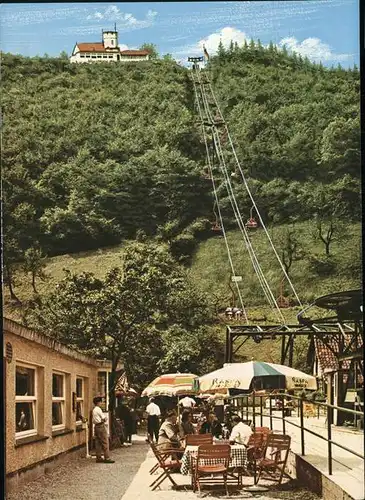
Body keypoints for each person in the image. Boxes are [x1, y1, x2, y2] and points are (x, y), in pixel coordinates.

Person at [92, 396, 115, 463]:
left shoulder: (94, 409)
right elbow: (104, 418)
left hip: (96, 426)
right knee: (105, 442)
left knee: (98, 442)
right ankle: (107, 457)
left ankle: (98, 457)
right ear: (98, 402)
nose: (102, 403)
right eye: (101, 402)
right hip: (100, 426)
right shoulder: (98, 409)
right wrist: (104, 419)